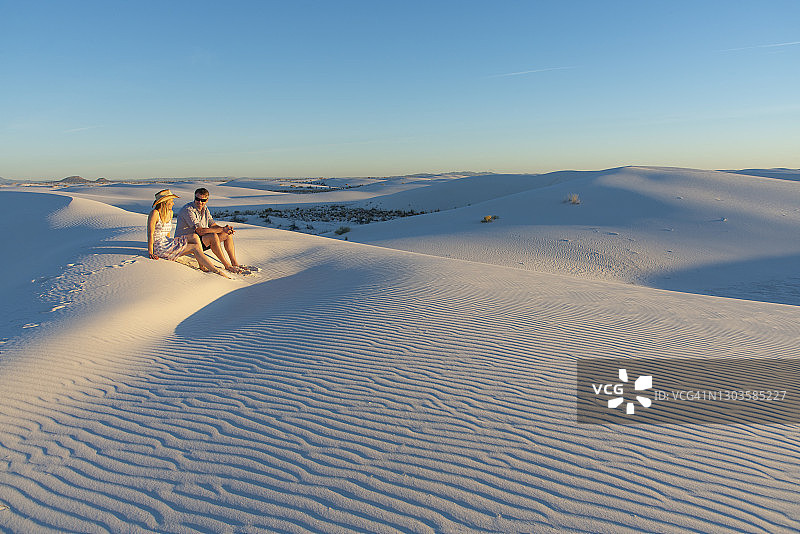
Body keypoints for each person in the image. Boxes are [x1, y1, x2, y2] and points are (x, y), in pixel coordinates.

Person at [147, 189, 229, 278]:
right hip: (159, 247)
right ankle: (215, 270)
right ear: (165, 202)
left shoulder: (169, 213)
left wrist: (172, 242)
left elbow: (167, 233)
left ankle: (201, 264)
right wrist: (151, 252)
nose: (173, 203)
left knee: (194, 236)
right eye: (171, 201)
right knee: (195, 247)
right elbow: (150, 233)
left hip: (167, 242)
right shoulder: (155, 213)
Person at [175, 187, 245, 273]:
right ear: (194, 198)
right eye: (197, 199)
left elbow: (213, 225)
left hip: (200, 240)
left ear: (207, 200)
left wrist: (225, 230)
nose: (200, 202)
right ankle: (227, 266)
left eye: (203, 200)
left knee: (227, 235)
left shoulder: (205, 209)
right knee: (213, 236)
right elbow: (199, 231)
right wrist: (222, 229)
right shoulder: (188, 210)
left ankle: (234, 263)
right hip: (186, 242)